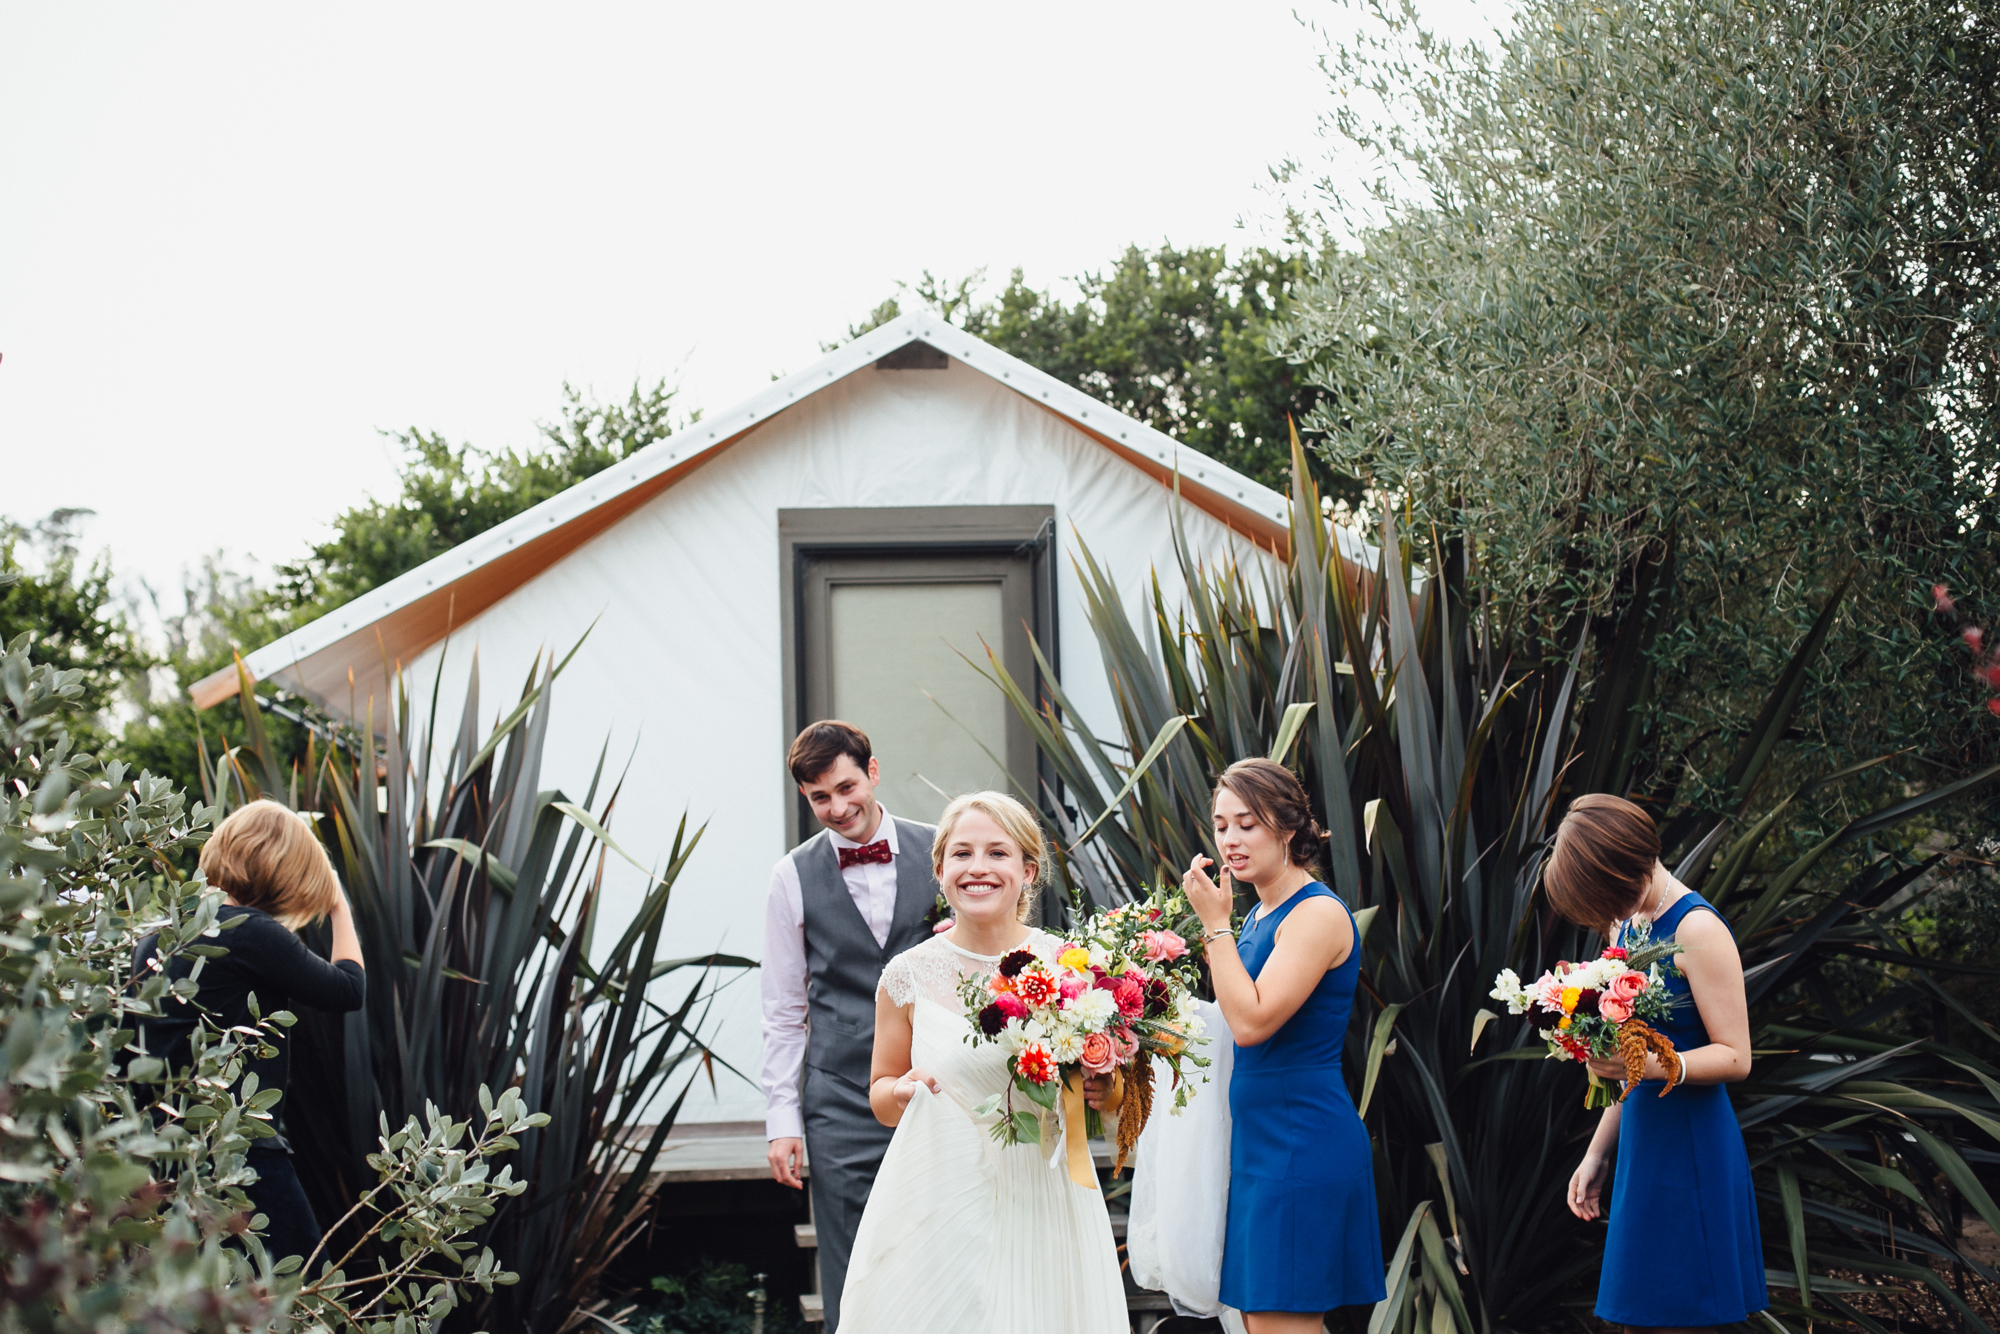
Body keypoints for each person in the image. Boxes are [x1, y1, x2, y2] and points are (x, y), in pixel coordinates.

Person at [837, 791, 1128, 1333]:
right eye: (962, 853)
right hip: (939, 1197)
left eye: (997, 853)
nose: (978, 868)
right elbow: (879, 1094)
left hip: (1043, 1197)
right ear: (941, 868)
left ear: (1027, 870)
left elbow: (1110, 1104)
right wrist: (900, 1091)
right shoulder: (907, 975)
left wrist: (1102, 1085)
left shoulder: (1071, 966)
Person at [1183, 758, 1385, 1334]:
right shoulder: (1256, 917)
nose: (1230, 840)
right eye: (1222, 825)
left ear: (1289, 827)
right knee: (1260, 1321)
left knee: (1279, 1324)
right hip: (1258, 1143)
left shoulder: (1315, 914)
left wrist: (1214, 928)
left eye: (1247, 823)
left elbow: (1252, 1023)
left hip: (1302, 1138)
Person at [1551, 794, 1767, 1331]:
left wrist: (1654, 1068)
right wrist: (1598, 1152)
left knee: (1684, 1317)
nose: (1604, 913)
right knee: (1641, 1318)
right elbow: (1635, 1060)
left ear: (1625, 864)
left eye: (1604, 896)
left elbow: (1737, 1056)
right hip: (1644, 1148)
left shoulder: (1697, 930)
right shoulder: (1627, 926)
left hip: (1692, 1151)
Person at [760, 721, 943, 1333]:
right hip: (840, 1100)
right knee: (854, 1267)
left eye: (846, 787)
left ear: (873, 771)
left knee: (942, 1253)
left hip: (939, 1089)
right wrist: (782, 1120)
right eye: (819, 798)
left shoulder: (946, 850)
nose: (838, 809)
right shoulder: (790, 876)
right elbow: (784, 1009)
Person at [133, 799, 366, 1267]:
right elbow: (348, 989)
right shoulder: (251, 933)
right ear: (283, 869)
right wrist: (338, 904)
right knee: (297, 1292)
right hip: (240, 1155)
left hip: (161, 1152)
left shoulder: (157, 937)